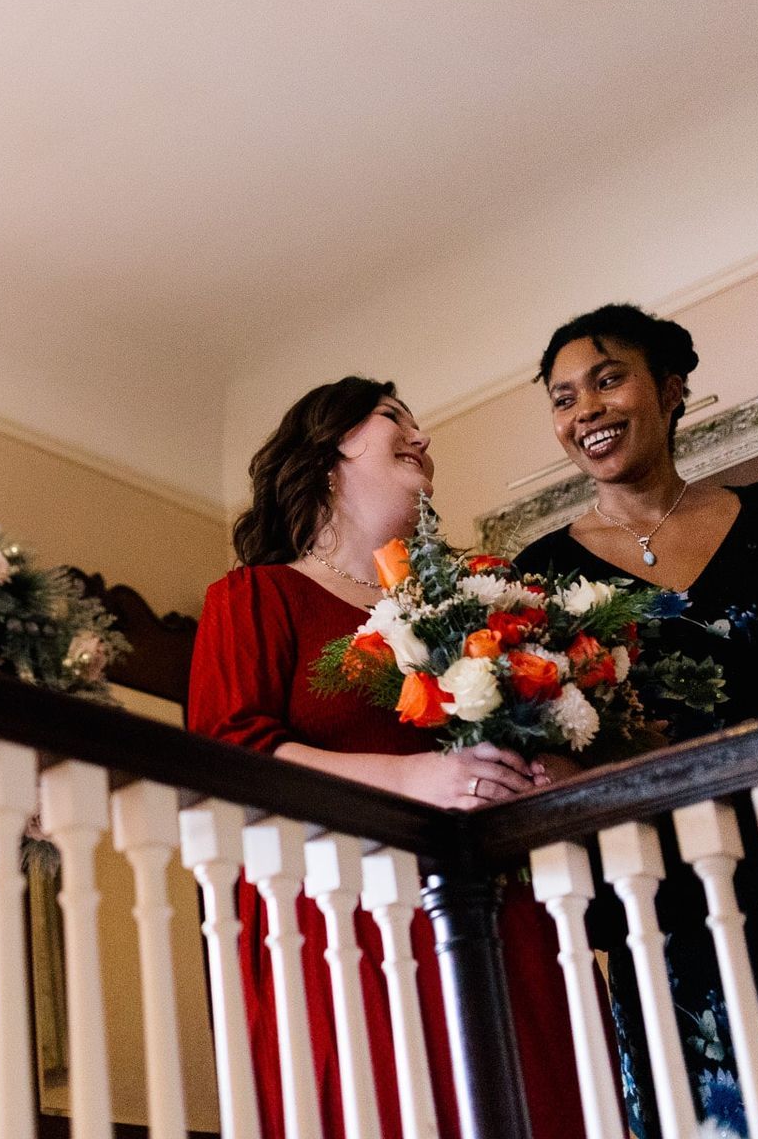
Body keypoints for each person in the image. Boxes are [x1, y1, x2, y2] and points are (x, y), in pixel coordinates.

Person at [515, 303, 758, 1137]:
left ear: (672, 388)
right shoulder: (538, 575)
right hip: (657, 901)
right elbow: (545, 747)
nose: (587, 412)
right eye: (564, 398)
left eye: (609, 379)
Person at [189, 376, 591, 1139]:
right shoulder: (256, 597)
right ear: (331, 444)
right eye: (393, 417)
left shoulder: (475, 603)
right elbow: (228, 755)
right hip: (347, 919)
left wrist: (542, 773)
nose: (423, 437)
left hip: (502, 912)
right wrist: (411, 778)